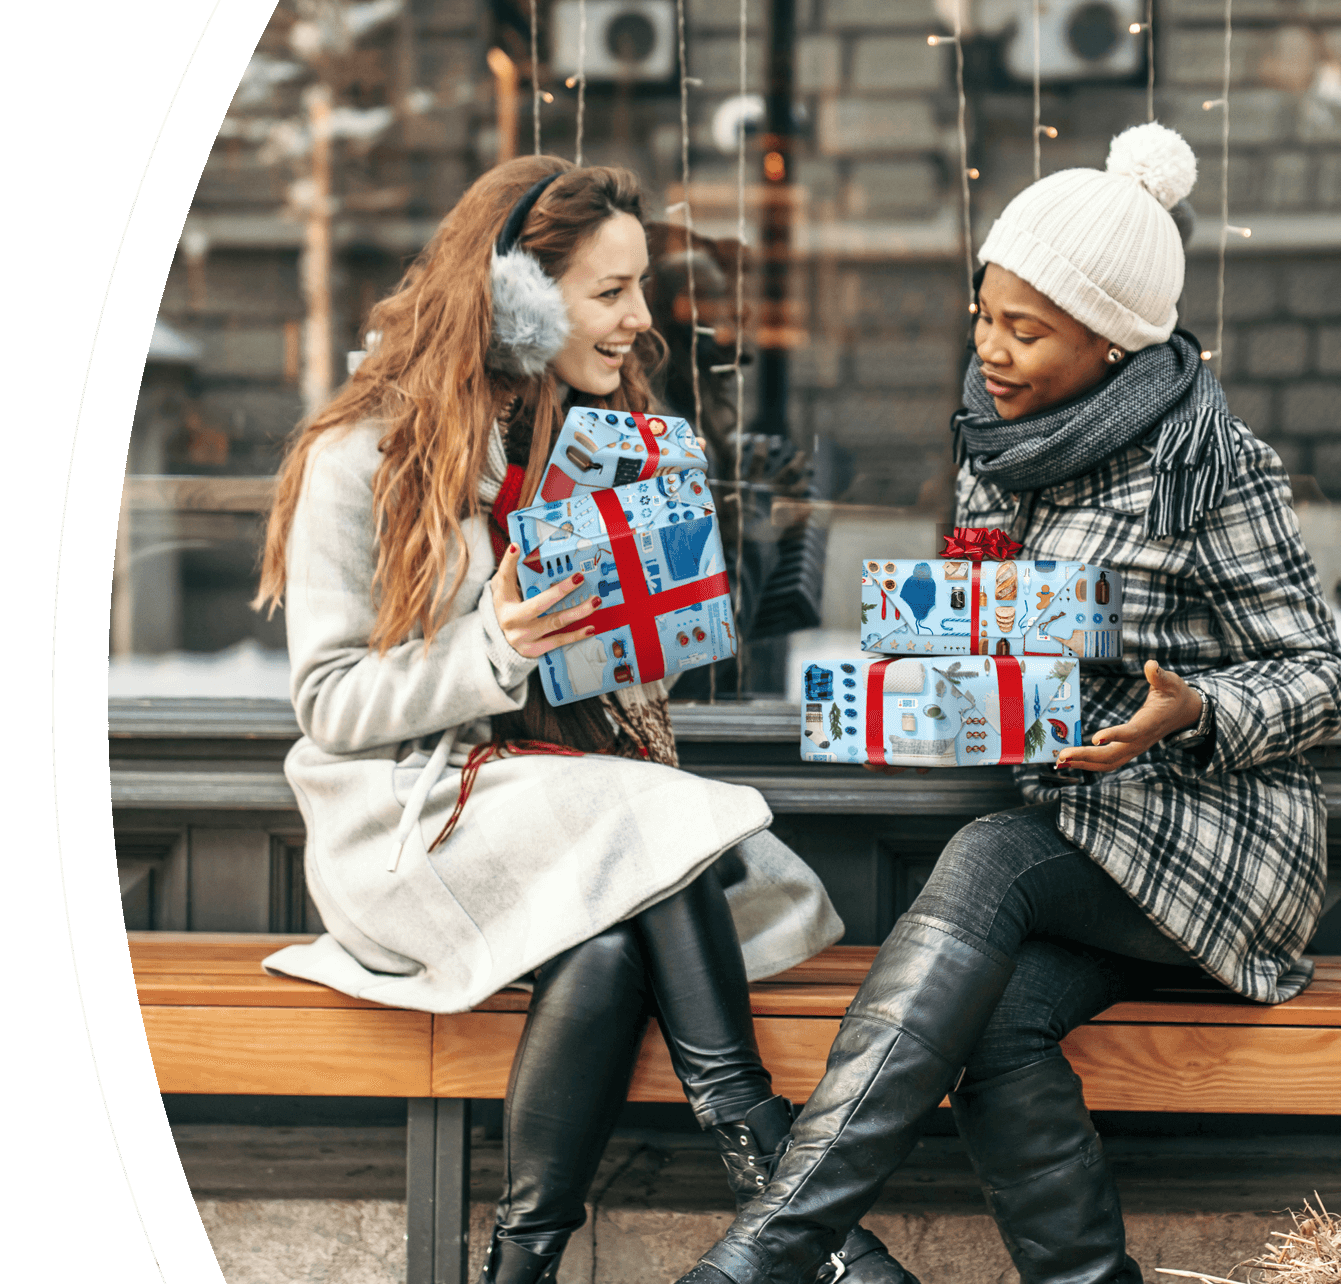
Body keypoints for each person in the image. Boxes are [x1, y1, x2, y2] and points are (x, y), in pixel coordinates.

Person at [675, 121, 1341, 1284]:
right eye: (981, 315)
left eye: (1024, 331)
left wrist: (1188, 712)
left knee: (988, 853)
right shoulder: (1002, 440)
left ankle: (770, 1253)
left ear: (1111, 341)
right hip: (1079, 844)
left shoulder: (1208, 463)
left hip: (1213, 844)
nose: (988, 349)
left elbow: (1318, 676)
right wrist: (931, 669)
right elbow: (994, 638)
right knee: (990, 1024)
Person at [253, 155, 916, 1284]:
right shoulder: (357, 456)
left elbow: (628, 651)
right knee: (655, 826)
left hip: (556, 823)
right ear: (516, 294)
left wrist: (676, 580)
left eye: (637, 288)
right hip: (413, 835)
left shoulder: (585, 443)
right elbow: (328, 704)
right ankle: (777, 1187)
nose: (638, 320)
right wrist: (497, 646)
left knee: (610, 948)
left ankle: (519, 1268)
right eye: (610, 292)